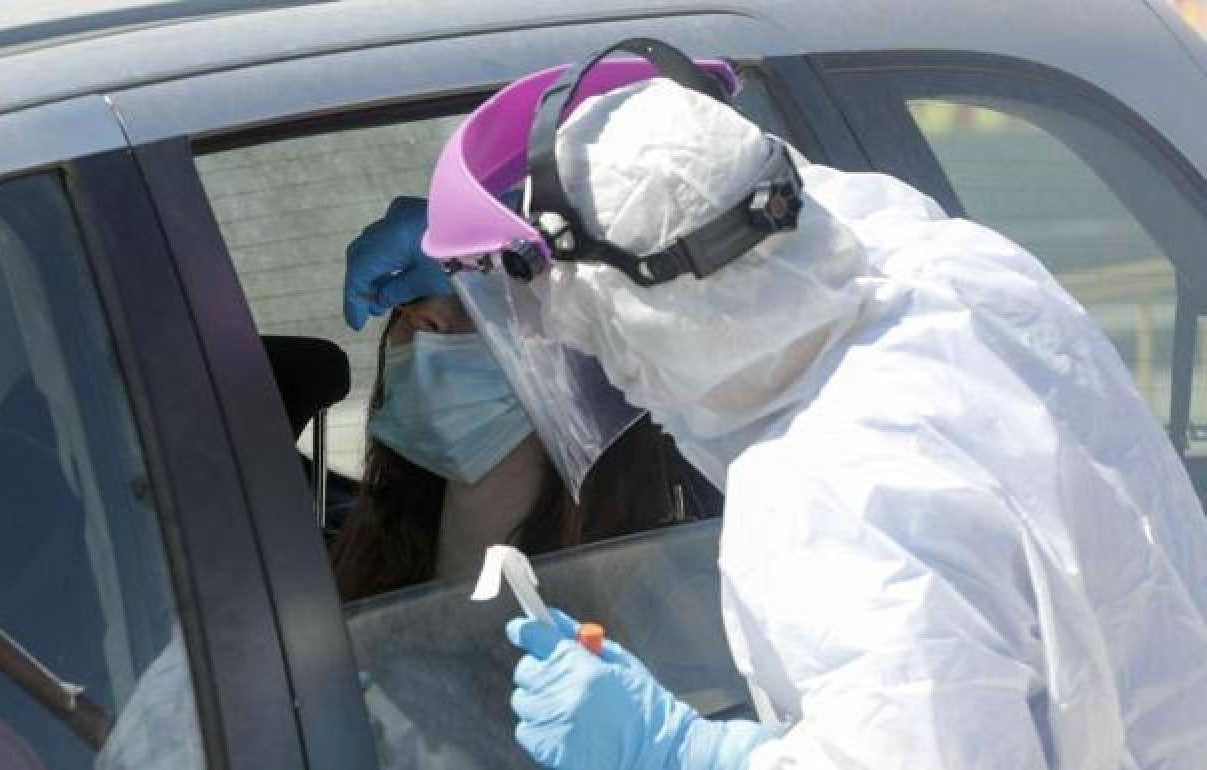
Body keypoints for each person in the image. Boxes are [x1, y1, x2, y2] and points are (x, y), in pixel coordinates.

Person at [423, 58, 1207, 770]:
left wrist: (684, 755)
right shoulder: (953, 274)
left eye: (588, 332)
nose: (604, 366)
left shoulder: (827, 496)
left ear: (641, 315)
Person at [330, 197, 719, 600]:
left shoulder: (670, 584)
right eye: (410, 308)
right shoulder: (377, 549)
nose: (422, 325)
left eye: (480, 306)